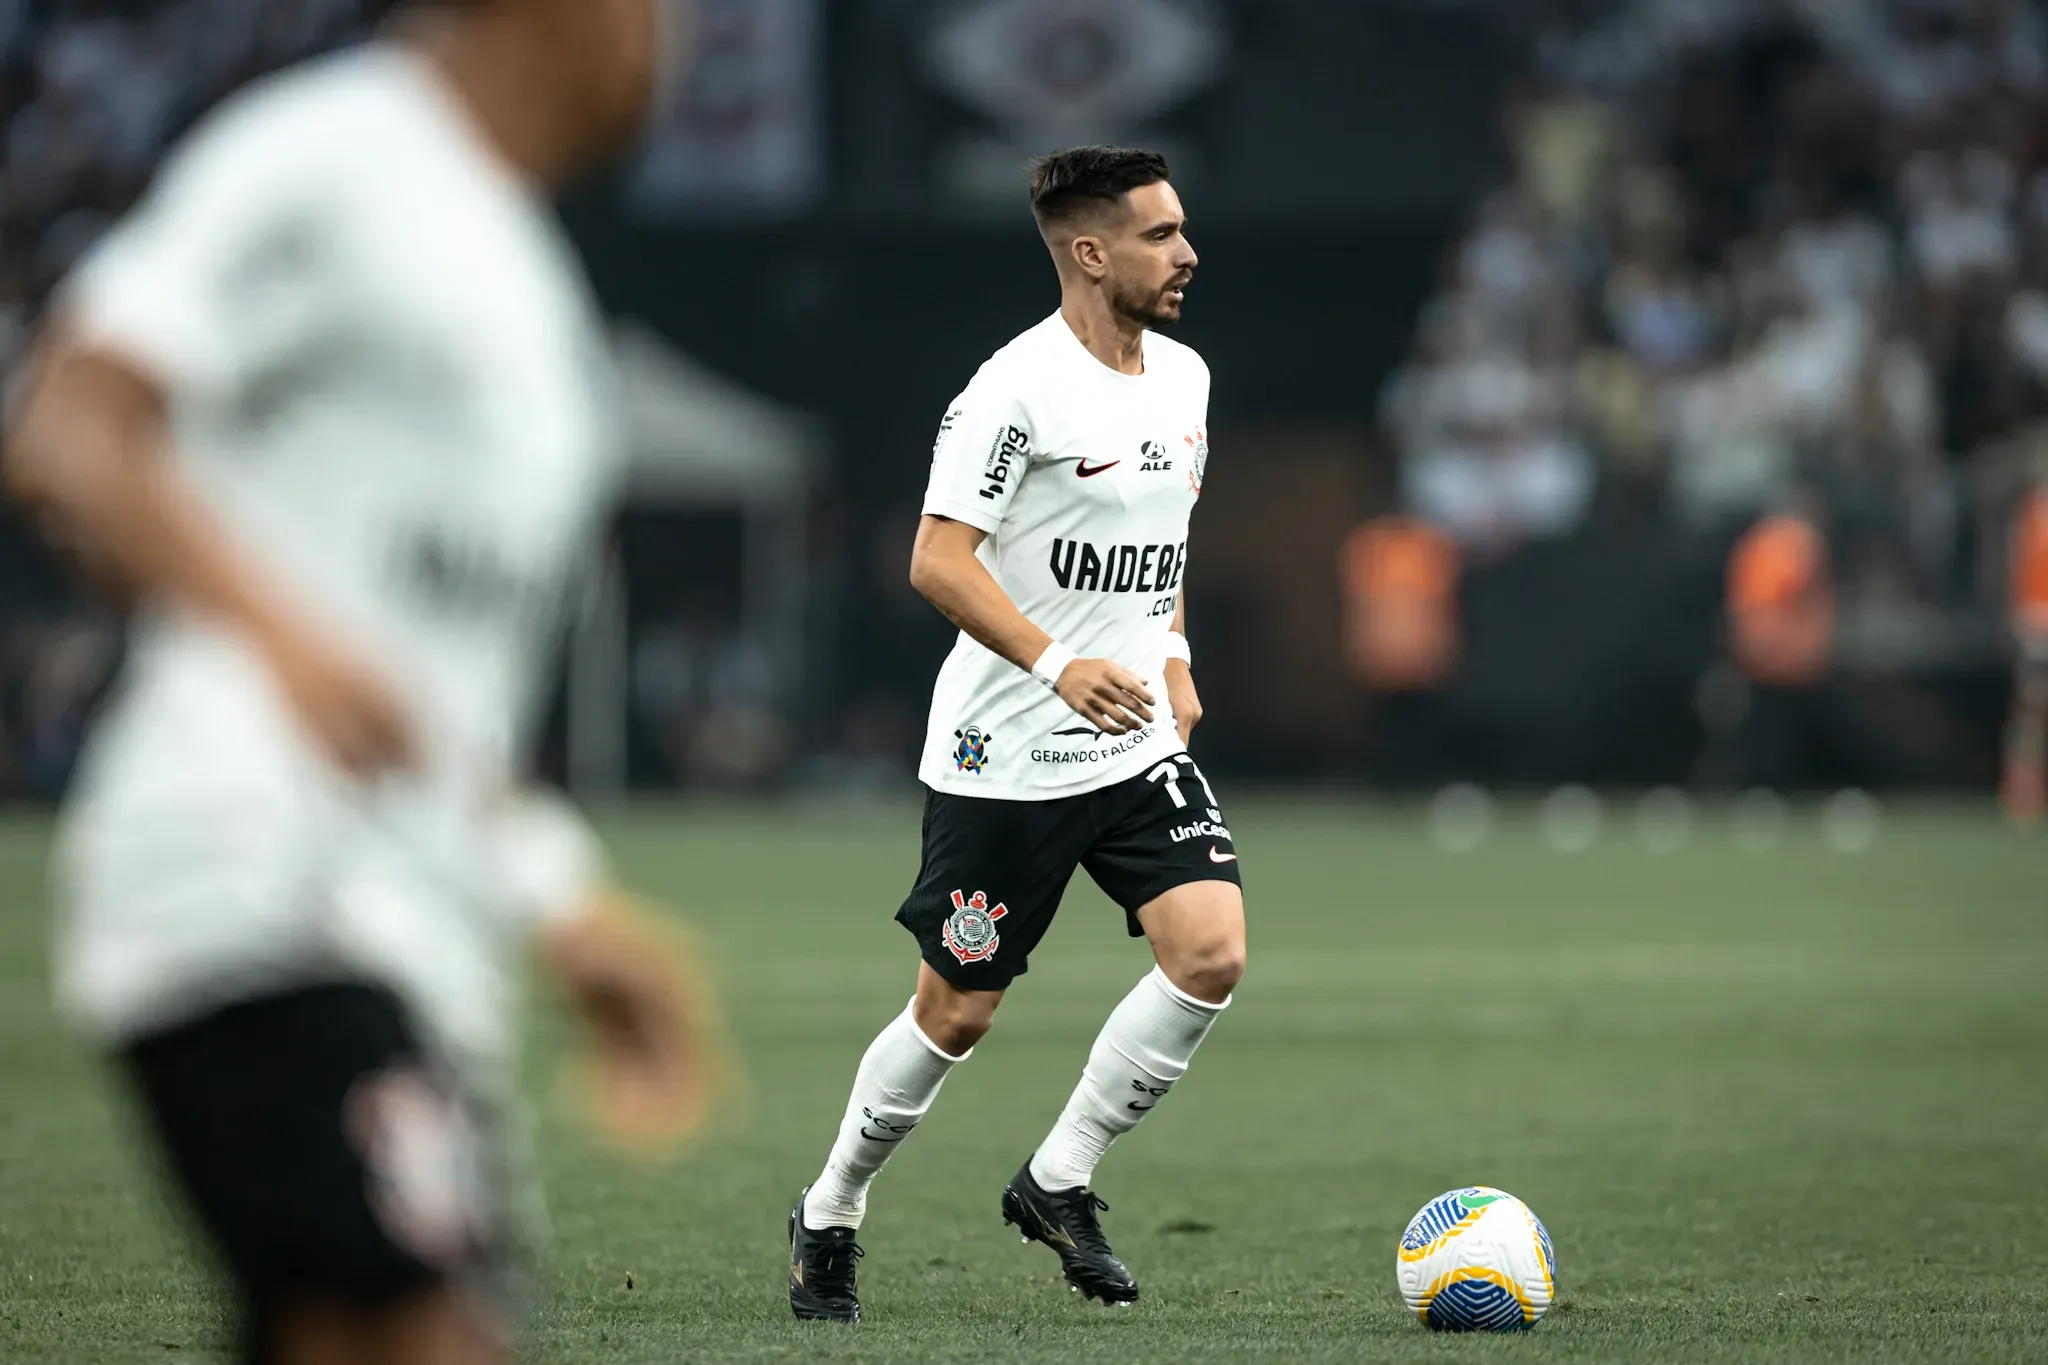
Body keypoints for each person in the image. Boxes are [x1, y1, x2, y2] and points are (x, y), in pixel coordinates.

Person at [3, 3, 706, 1363]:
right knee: (424, 1335)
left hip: (416, 929)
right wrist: (286, 641)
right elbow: (73, 416)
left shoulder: (521, 276)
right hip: (251, 877)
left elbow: (442, 678)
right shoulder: (333, 155)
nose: (668, 40)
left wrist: (560, 902)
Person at [787, 146, 1245, 1322]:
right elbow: (935, 559)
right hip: (1005, 757)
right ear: (1089, 252)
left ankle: (1057, 1179)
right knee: (957, 1013)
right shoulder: (1012, 392)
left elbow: (1165, 541)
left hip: (1133, 738)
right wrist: (1055, 664)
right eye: (1159, 235)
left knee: (1209, 953)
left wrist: (1172, 653)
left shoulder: (1185, 378)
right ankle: (830, 1209)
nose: (1186, 253)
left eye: (1182, 230)